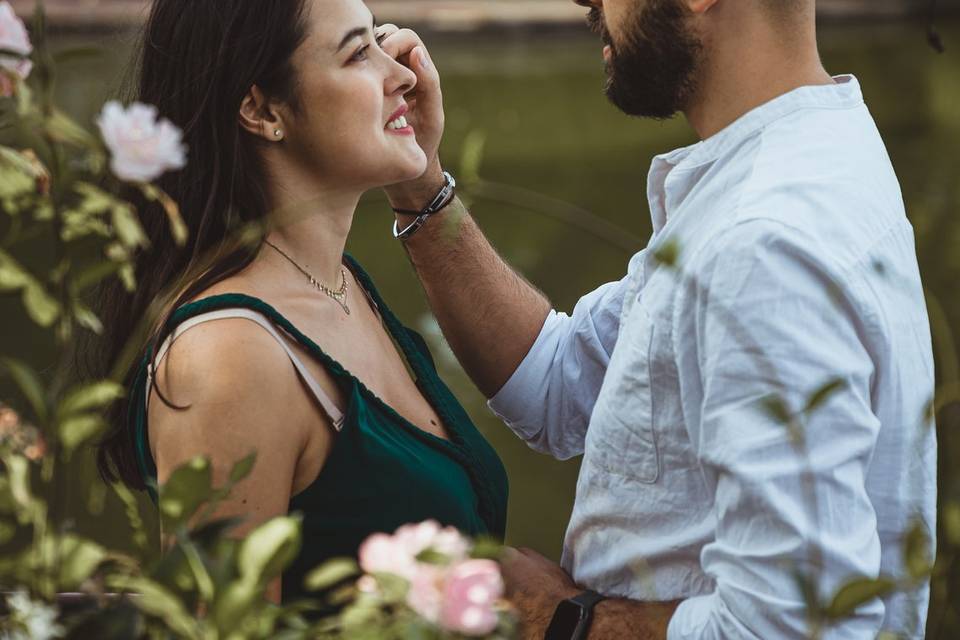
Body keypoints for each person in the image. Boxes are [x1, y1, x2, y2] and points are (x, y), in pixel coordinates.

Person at [379, 0, 937, 637]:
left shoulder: (763, 243)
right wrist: (421, 186)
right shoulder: (799, 159)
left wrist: (562, 620)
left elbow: (798, 630)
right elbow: (559, 382)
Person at [91, 0, 507, 605]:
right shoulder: (230, 355)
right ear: (261, 108)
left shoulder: (342, 286)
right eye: (359, 52)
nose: (406, 74)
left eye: (381, 41)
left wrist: (422, 175)